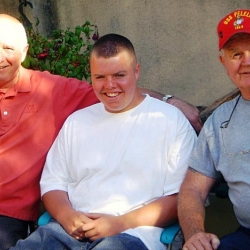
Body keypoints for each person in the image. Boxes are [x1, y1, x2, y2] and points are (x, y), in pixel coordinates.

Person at [0, 13, 202, 250]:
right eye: (100, 77)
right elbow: (53, 184)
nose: (110, 86)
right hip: (65, 231)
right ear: (91, 76)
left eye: (119, 75)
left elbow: (181, 197)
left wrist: (120, 223)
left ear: (136, 71)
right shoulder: (77, 121)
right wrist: (66, 215)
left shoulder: (169, 121)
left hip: (131, 234)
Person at [178, 9, 250, 250]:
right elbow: (192, 189)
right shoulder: (219, 123)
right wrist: (195, 234)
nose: (246, 61)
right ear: (224, 62)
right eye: (236, 54)